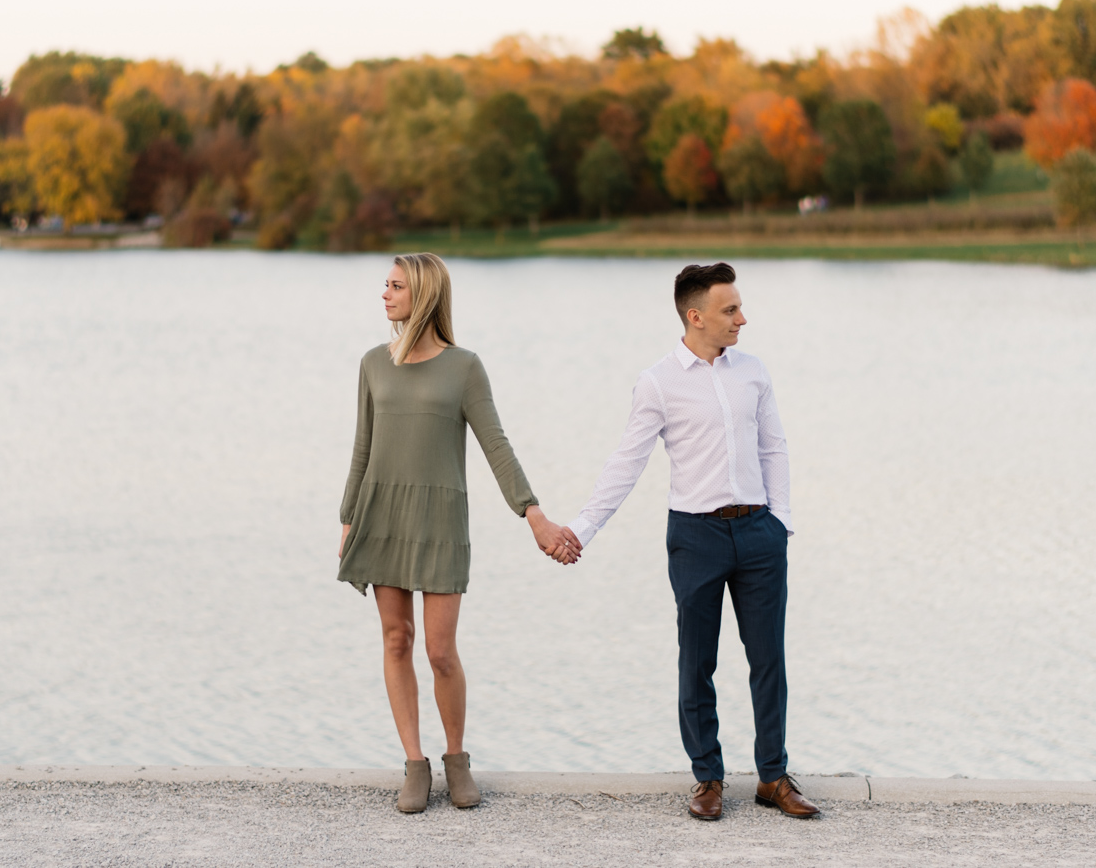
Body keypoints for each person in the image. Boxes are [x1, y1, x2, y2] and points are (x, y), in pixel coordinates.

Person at [561, 262, 820, 821]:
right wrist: (581, 530)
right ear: (694, 315)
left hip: (758, 533)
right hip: (696, 535)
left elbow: (774, 448)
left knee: (767, 658)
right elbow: (626, 464)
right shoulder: (658, 382)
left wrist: (781, 524)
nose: (742, 320)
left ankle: (773, 777)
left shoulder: (753, 371)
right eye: (731, 311)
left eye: (740, 308)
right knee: (697, 660)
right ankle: (708, 777)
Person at [337, 252, 579, 814]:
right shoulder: (374, 363)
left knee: (442, 651)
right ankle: (415, 764)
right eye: (385, 284)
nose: (384, 295)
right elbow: (361, 448)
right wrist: (348, 519)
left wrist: (533, 513)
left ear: (422, 295)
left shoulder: (465, 367)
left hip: (441, 521)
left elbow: (497, 445)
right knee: (397, 641)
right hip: (382, 516)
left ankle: (456, 760)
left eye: (395, 286)